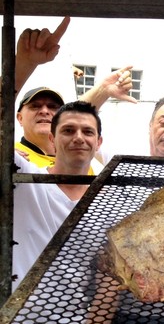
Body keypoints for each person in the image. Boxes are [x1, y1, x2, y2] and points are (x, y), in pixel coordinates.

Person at [13, 17, 135, 171]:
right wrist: (25, 64)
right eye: (35, 106)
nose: (44, 111)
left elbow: (75, 117)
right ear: (19, 118)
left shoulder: (81, 161)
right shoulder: (14, 157)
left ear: (98, 142)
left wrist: (103, 90)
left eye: (53, 107)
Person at [12, 101, 103, 291]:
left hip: (80, 318)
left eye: (87, 132)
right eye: (68, 130)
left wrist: (94, 321)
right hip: (16, 318)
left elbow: (108, 276)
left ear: (98, 142)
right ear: (52, 139)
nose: (78, 138)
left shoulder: (107, 200)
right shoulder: (25, 179)